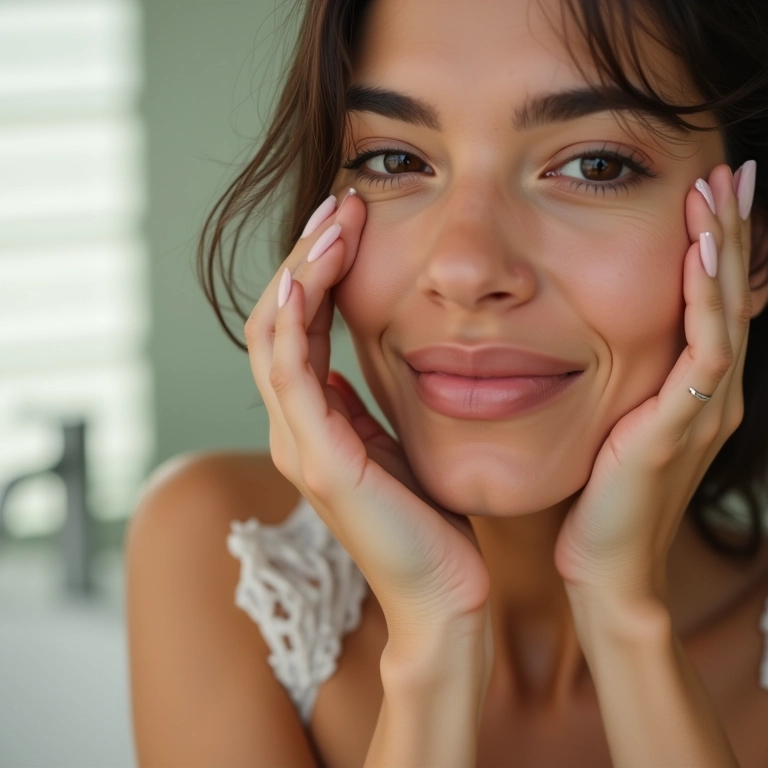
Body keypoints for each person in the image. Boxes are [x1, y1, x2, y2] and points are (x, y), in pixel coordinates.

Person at [126, 0, 768, 764]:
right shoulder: (227, 554)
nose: (465, 269)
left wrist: (625, 617)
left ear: (749, 251)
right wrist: (432, 636)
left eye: (595, 165)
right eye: (396, 161)